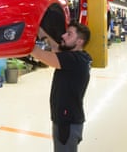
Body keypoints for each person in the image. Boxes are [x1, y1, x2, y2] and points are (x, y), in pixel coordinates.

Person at [30, 21, 92, 152]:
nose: (63, 35)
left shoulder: (73, 60)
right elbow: (55, 47)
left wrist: (21, 40)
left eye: (69, 34)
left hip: (67, 122)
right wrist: (38, 29)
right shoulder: (82, 57)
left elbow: (39, 54)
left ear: (79, 41)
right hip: (68, 118)